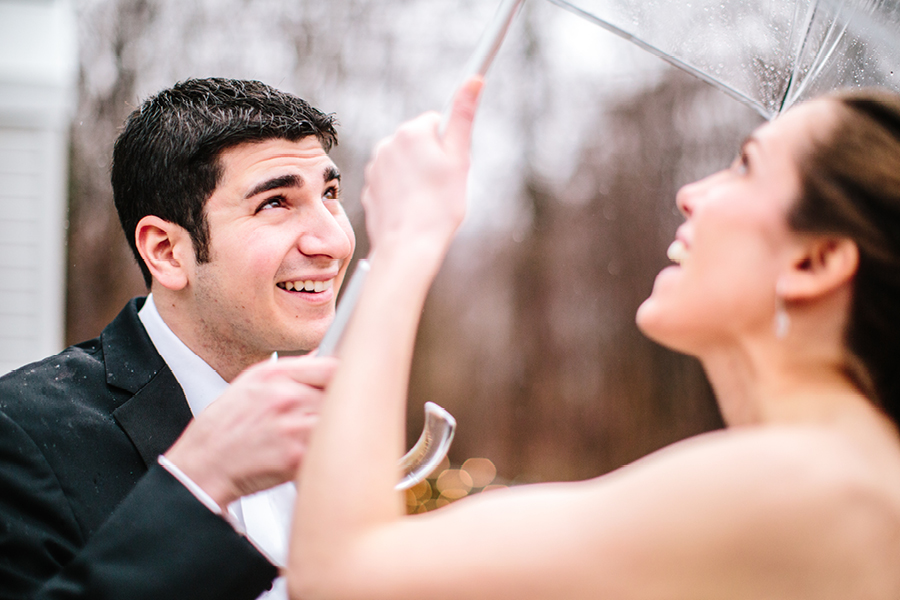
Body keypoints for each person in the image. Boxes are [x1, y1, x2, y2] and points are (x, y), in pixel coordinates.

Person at [287, 82, 900, 599]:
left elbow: (339, 574)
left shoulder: (812, 488)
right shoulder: (839, 478)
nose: (691, 194)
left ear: (816, 261)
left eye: (745, 166)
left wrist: (407, 240)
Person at [0, 77, 353, 599]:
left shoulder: (339, 419)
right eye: (276, 202)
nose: (335, 241)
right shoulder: (20, 433)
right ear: (166, 251)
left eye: (329, 194)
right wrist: (199, 482)